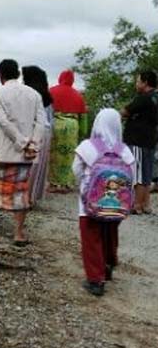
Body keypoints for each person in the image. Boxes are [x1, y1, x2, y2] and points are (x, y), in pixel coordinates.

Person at [0, 59, 46, 245]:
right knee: (20, 192)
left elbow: (2, 122)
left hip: (3, 150)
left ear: (0, 75)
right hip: (26, 153)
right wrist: (32, 144)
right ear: (17, 73)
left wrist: (22, 142)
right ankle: (18, 232)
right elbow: (41, 123)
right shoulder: (34, 94)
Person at [72, 109, 134, 296]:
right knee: (110, 234)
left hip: (89, 204)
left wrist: (84, 185)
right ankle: (108, 264)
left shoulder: (87, 146)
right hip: (116, 204)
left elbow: (76, 169)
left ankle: (95, 280)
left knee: (92, 238)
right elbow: (133, 174)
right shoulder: (124, 150)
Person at [121, 70, 158, 214]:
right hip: (150, 139)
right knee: (147, 174)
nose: (136, 84)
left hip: (138, 140)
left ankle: (136, 205)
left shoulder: (144, 98)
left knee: (138, 174)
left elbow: (125, 111)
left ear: (145, 82)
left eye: (138, 81)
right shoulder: (156, 97)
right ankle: (145, 204)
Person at [48, 70, 88, 193]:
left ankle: (54, 184)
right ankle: (66, 184)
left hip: (56, 124)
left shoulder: (52, 91)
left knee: (54, 154)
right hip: (72, 126)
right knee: (69, 155)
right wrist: (83, 132)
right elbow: (83, 116)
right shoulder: (78, 95)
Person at [23, 66, 54, 207]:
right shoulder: (47, 96)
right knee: (38, 166)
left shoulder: (29, 94)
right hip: (46, 132)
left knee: (27, 165)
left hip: (33, 131)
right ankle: (32, 197)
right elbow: (50, 118)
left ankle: (24, 197)